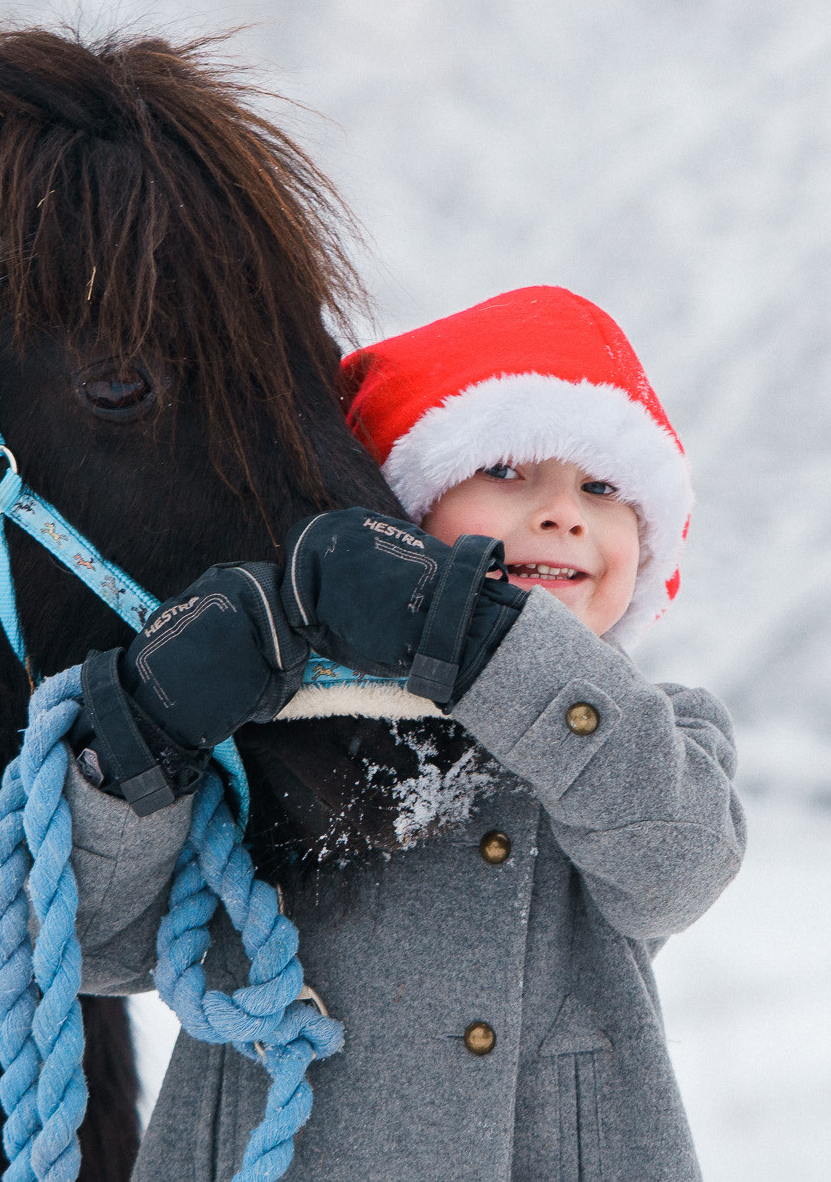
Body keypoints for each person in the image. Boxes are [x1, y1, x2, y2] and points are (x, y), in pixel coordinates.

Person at [63, 285, 745, 1182]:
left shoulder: (648, 734)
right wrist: (142, 741)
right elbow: (98, 946)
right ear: (397, 517)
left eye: (604, 487)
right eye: (504, 470)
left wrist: (478, 642)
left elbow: (676, 868)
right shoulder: (272, 730)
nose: (562, 512)